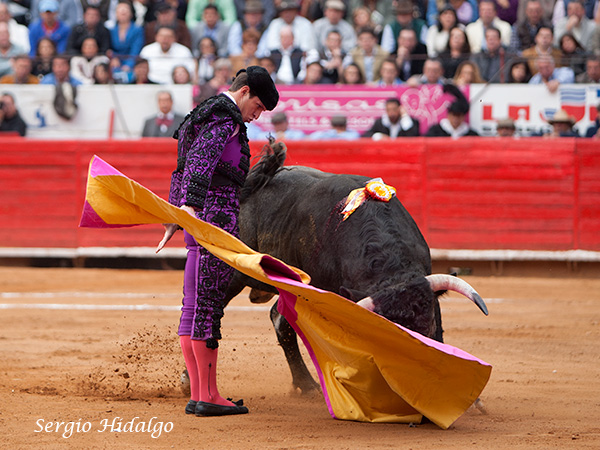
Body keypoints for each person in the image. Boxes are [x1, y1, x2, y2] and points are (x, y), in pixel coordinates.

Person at [156, 65, 279, 417]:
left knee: (193, 306)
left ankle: (201, 394)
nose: (256, 116)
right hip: (214, 223)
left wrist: (176, 216)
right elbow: (198, 163)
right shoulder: (225, 120)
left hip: (199, 221)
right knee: (206, 307)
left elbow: (181, 168)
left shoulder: (205, 113)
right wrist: (191, 208)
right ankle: (207, 396)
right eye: (257, 107)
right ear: (244, 92)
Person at [109, 1, 145, 72]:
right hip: (115, 63)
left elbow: (135, 50)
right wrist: (113, 58)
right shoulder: (111, 30)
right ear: (116, 14)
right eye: (120, 10)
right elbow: (110, 48)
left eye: (125, 9)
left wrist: (128, 65)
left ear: (131, 13)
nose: (123, 11)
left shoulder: (137, 30)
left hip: (132, 62)